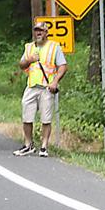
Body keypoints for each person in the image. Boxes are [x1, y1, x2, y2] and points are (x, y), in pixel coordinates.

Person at [13, 22, 67, 158]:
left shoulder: (54, 47)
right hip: (31, 86)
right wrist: (29, 60)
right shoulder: (29, 47)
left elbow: (62, 66)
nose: (38, 33)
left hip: (46, 88)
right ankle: (28, 145)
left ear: (46, 33)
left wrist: (55, 81)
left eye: (41, 31)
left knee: (46, 118)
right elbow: (21, 65)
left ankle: (44, 146)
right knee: (27, 115)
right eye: (36, 30)